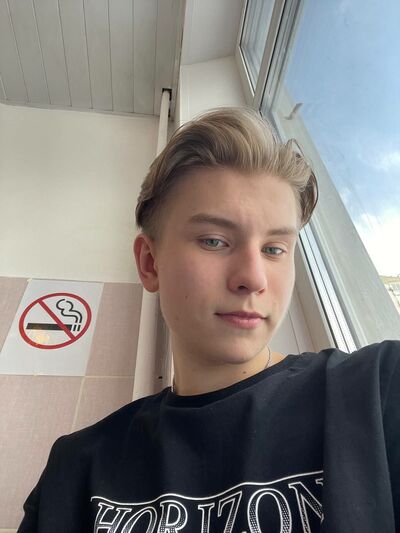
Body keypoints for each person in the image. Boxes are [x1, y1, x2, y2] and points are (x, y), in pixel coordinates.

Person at [18, 107, 399, 532]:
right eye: (215, 241)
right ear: (150, 263)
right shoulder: (76, 473)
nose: (253, 278)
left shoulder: (377, 392)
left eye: (274, 249)